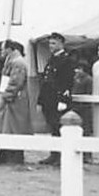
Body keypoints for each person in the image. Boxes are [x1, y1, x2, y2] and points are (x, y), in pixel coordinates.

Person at [36, 33, 76, 166]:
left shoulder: (66, 60)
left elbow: (67, 82)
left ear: (61, 44)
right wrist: (41, 99)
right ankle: (54, 154)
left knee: (59, 127)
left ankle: (61, 155)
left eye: (53, 43)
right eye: (50, 44)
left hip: (58, 99)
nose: (51, 46)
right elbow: (46, 80)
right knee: (52, 127)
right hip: (49, 99)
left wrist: (63, 100)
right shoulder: (52, 59)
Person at [0, 41, 32, 164]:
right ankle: (6, 155)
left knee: (14, 128)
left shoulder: (18, 63)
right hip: (12, 99)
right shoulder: (12, 61)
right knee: (9, 128)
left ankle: (14, 157)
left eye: (3, 49)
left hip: (15, 100)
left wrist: (7, 96)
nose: (1, 52)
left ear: (9, 49)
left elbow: (16, 82)